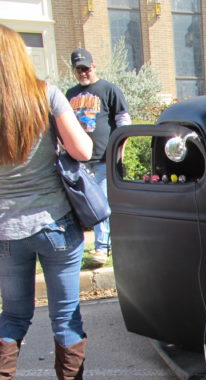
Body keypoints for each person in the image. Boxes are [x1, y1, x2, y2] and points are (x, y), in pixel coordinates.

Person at [0, 25, 94, 380]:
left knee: (13, 314)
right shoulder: (47, 94)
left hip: (6, 230)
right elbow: (83, 151)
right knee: (65, 313)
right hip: (55, 224)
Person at [67, 48, 131, 266]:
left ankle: (102, 248)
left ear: (93, 67)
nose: (82, 73)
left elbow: (123, 121)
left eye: (85, 68)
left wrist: (119, 151)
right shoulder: (71, 94)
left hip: (104, 159)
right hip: (79, 161)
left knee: (101, 204)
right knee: (85, 204)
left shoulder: (108, 90)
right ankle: (96, 246)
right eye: (78, 70)